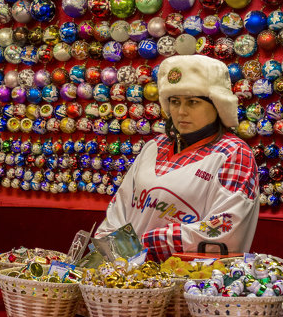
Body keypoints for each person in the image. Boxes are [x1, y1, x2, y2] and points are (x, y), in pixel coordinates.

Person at [94, 54, 259, 261]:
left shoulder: (233, 153)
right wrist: (110, 250)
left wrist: (143, 245)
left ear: (218, 105)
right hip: (130, 280)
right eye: (174, 101)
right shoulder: (154, 146)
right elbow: (120, 207)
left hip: (193, 284)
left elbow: (226, 228)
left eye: (192, 102)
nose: (181, 111)